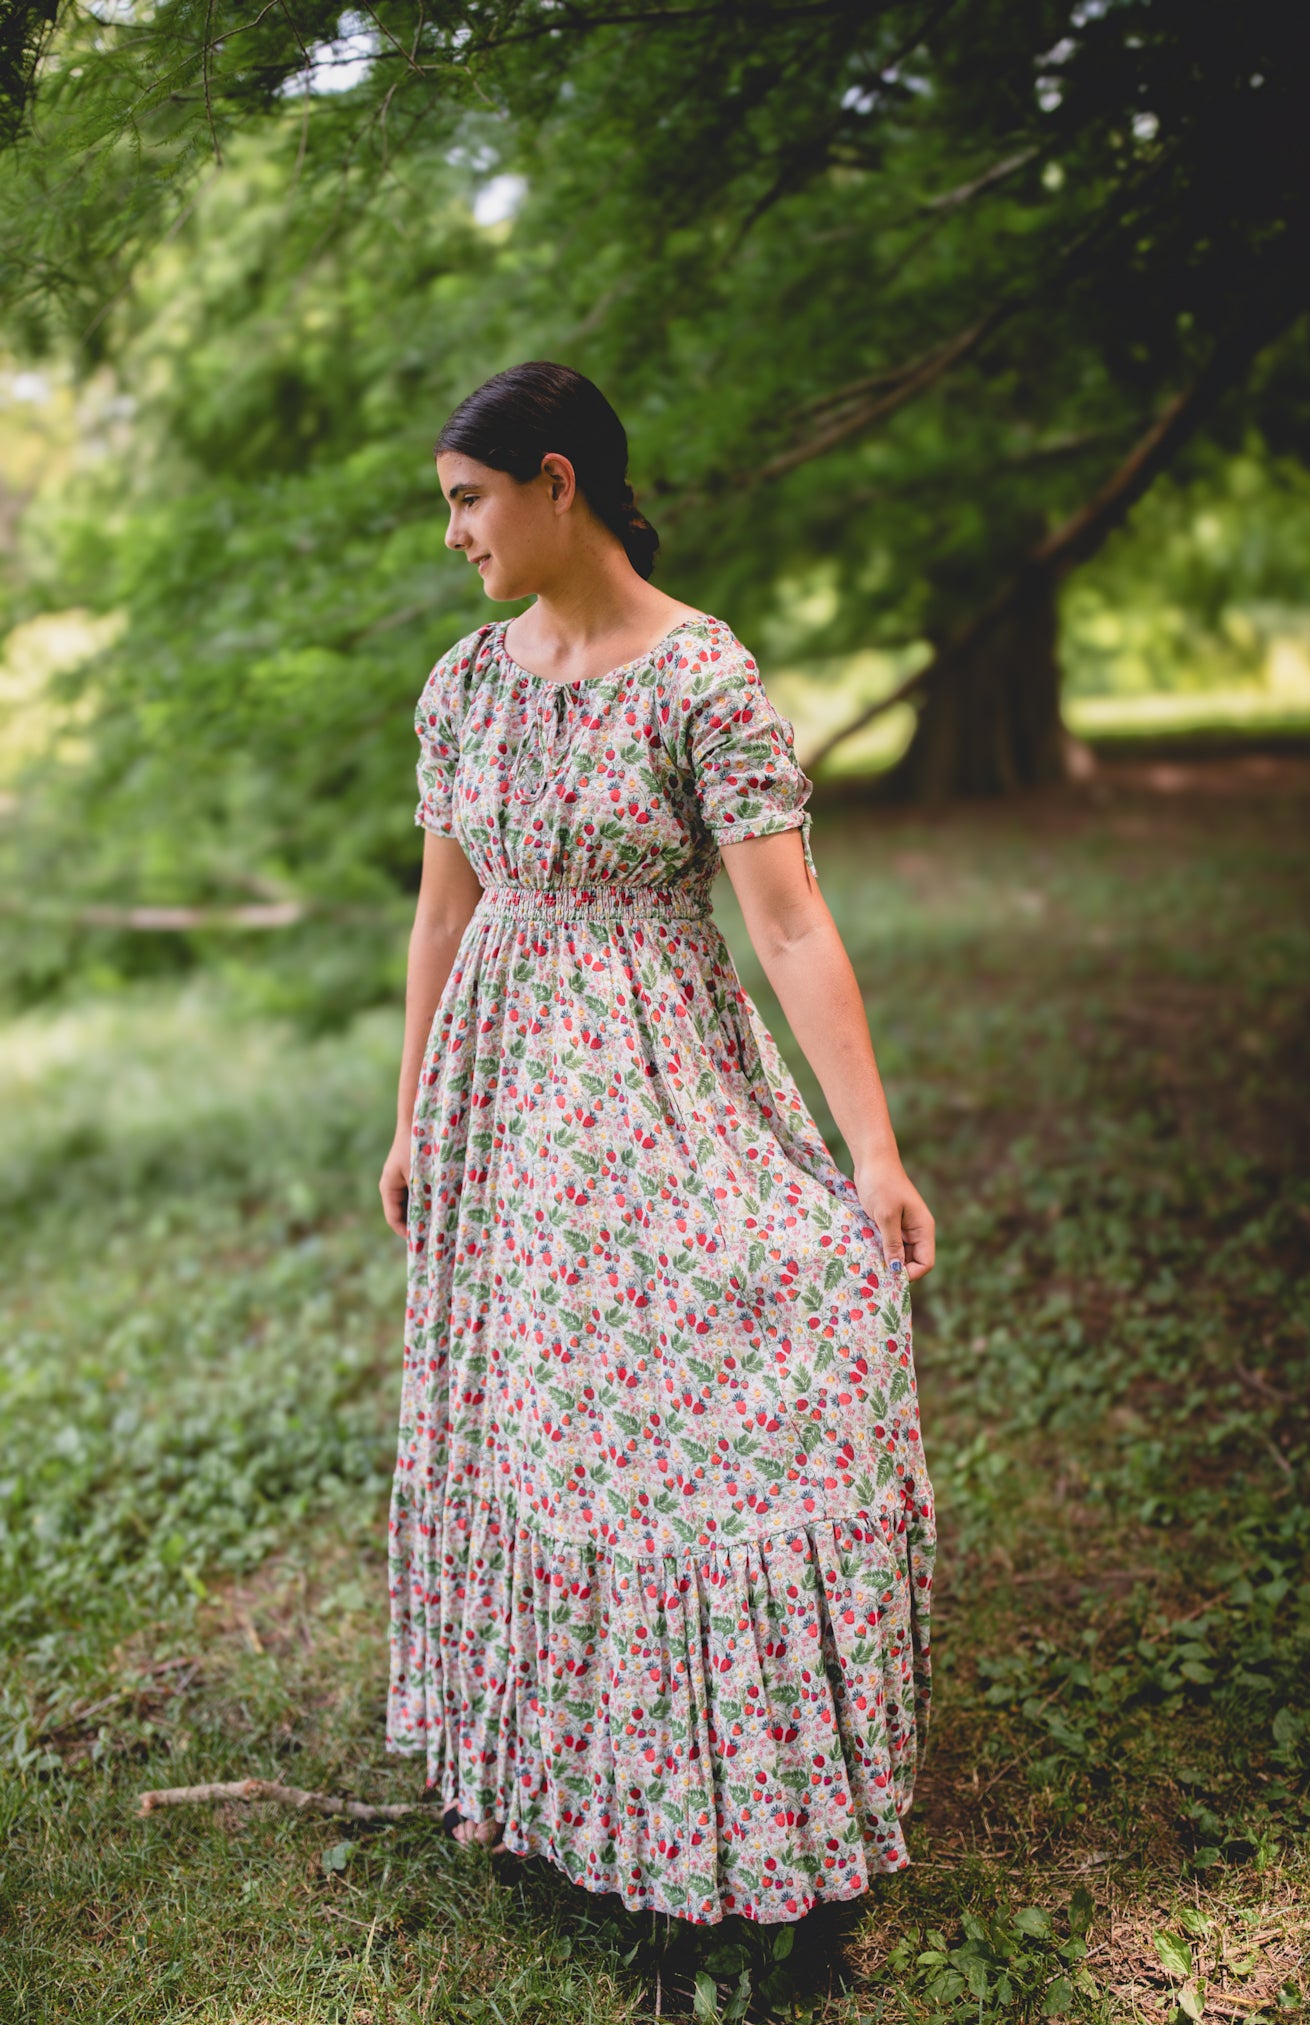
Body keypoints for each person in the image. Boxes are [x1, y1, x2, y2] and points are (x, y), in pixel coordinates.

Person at [378, 361, 936, 1926]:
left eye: (468, 501)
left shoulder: (701, 677)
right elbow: (441, 913)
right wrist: (413, 1112)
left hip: (659, 1091)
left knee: (728, 1388)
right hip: (504, 1114)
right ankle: (565, 1796)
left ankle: (738, 1806)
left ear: (558, 484)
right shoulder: (463, 685)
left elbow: (790, 922)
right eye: (446, 507)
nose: (455, 536)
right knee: (545, 1434)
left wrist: (870, 1157)